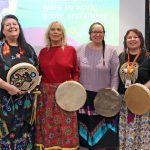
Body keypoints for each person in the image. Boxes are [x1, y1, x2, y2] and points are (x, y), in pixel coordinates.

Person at [36, 21, 79, 150]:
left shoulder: (71, 50)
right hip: (46, 95)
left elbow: (76, 72)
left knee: (66, 125)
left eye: (58, 30)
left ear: (62, 33)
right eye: (52, 29)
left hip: (65, 94)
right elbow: (38, 72)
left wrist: (74, 87)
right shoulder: (43, 51)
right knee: (47, 125)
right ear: (48, 33)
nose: (55, 32)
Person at [77, 22, 119, 150]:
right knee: (86, 132)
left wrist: (112, 95)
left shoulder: (111, 50)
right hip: (84, 96)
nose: (97, 34)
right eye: (94, 32)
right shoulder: (79, 49)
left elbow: (115, 74)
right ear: (90, 34)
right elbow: (75, 72)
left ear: (104, 34)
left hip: (104, 98)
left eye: (100, 32)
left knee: (105, 139)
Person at [0, 14, 38, 149]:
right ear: (3, 30)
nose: (12, 26)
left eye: (14, 24)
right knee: (6, 134)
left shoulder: (28, 48)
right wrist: (7, 86)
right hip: (5, 101)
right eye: (8, 25)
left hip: (26, 101)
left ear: (19, 28)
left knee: (26, 134)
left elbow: (36, 70)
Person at [118, 28, 150, 150]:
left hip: (142, 101)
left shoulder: (147, 57)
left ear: (141, 40)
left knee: (142, 135)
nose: (132, 40)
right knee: (126, 133)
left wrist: (140, 90)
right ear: (125, 41)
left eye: (135, 37)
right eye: (129, 37)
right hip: (125, 103)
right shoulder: (121, 57)